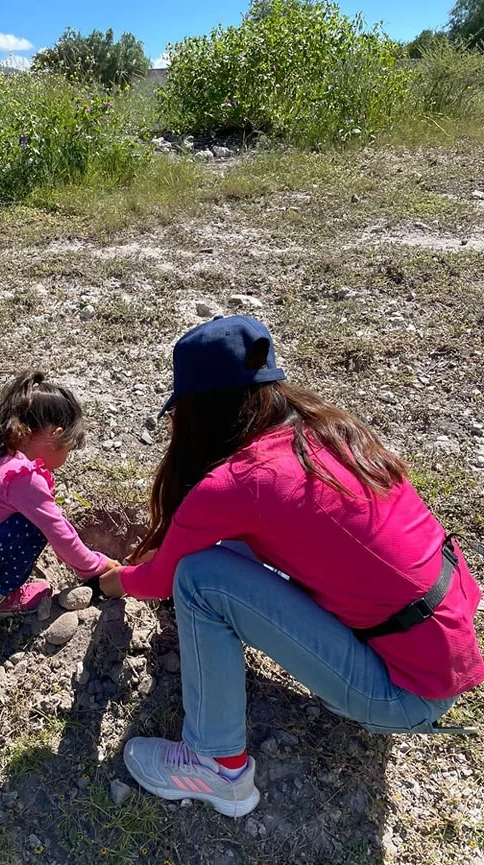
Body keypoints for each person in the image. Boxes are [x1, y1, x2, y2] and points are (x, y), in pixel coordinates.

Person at [100, 315, 483, 818]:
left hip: (406, 694)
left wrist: (114, 580)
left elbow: (160, 580)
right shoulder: (327, 429)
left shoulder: (236, 483)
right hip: (442, 644)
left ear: (197, 411)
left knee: (197, 579)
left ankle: (219, 769)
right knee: (219, 562)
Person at [0, 370, 118, 616]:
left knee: (26, 520)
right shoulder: (24, 477)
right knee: (35, 526)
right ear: (56, 436)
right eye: (67, 450)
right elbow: (59, 533)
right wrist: (97, 566)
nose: (66, 459)